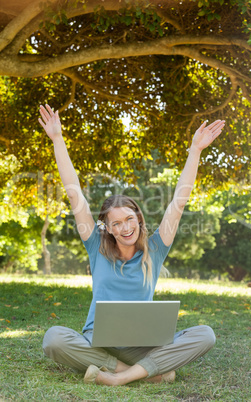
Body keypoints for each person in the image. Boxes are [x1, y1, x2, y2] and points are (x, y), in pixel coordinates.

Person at [39, 104, 225, 386]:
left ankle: (117, 376)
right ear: (107, 229)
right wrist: (57, 139)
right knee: (53, 339)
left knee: (205, 334)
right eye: (116, 224)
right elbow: (74, 193)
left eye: (129, 219)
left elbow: (179, 201)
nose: (125, 228)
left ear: (138, 217)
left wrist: (195, 151)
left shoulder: (156, 247)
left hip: (142, 344)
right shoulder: (96, 247)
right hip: (98, 342)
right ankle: (141, 372)